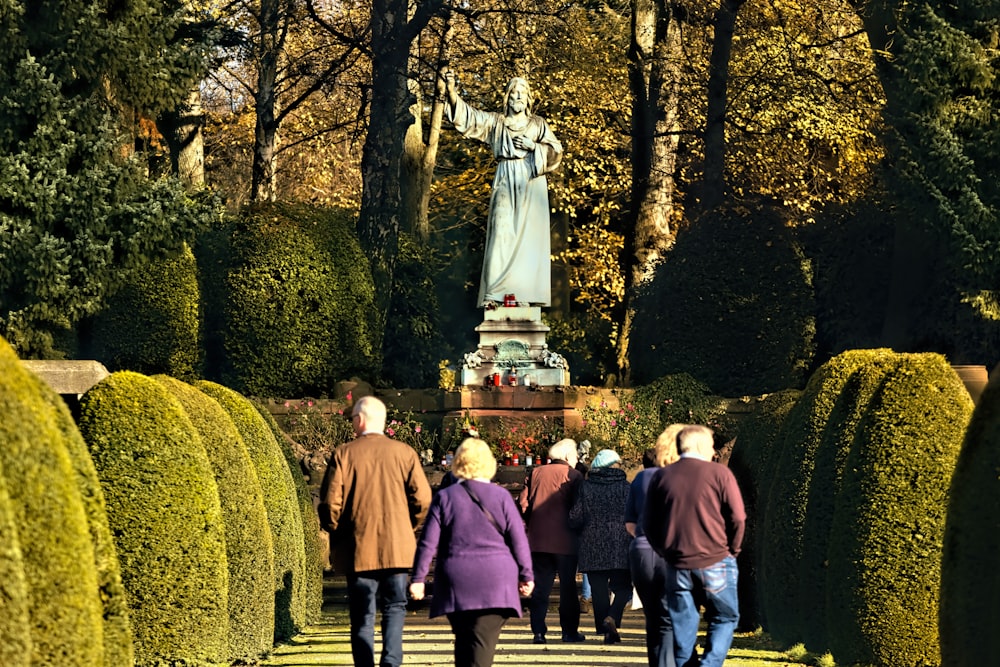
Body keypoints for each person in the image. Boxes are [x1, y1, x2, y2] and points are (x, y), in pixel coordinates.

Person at [319, 396, 433, 667]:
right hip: (397, 547)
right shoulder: (405, 453)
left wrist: (338, 529)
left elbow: (330, 503)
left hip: (358, 547)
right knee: (395, 607)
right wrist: (408, 526)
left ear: (360, 419)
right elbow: (424, 499)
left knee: (362, 614)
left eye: (353, 419)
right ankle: (391, 662)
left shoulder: (344, 454)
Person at [409, 438, 535, 667]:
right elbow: (519, 540)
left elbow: (428, 543)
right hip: (497, 580)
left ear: (458, 463)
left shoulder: (445, 498)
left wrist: (418, 578)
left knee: (465, 642)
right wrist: (526, 574)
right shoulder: (502, 497)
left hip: (457, 580)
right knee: (481, 646)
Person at [444, 70, 563, 309]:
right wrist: (451, 92)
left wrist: (534, 147)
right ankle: (495, 295)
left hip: (531, 181)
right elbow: (470, 118)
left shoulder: (538, 125)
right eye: (514, 93)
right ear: (507, 97)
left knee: (528, 240)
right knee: (501, 233)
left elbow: (556, 151)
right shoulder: (496, 122)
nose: (518, 97)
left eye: (522, 93)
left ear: (528, 99)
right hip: (505, 178)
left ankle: (523, 295)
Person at [643, 425, 746, 667]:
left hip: (677, 564)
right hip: (717, 559)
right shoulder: (720, 474)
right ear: (701, 446)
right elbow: (738, 517)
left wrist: (665, 551)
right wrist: (733, 550)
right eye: (711, 446)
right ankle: (709, 664)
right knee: (724, 617)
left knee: (683, 629)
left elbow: (648, 523)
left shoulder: (661, 476)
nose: (713, 451)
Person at [625, 425, 685, 667]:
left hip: (642, 551)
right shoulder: (686, 477)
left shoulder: (642, 477)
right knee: (672, 617)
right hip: (674, 551)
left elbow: (629, 522)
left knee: (654, 618)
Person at [518, 438, 585, 644]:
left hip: (538, 539)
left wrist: (533, 522)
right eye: (575, 455)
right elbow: (579, 509)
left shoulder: (536, 472)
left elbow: (522, 504)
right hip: (566, 541)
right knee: (568, 588)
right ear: (566, 456)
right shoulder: (574, 475)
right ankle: (569, 632)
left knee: (540, 587)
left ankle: (538, 632)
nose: (576, 460)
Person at [569, 448, 632, 644]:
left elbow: (575, 517)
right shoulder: (626, 487)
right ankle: (612, 618)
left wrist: (579, 530)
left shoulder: (586, 487)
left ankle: (602, 627)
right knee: (623, 588)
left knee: (598, 589)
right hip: (620, 542)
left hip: (592, 541)